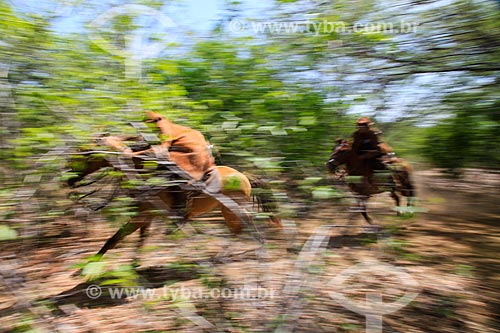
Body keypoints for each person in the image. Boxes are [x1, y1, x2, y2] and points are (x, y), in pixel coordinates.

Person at [100, 111, 218, 219]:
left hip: (193, 155)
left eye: (147, 125)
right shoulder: (161, 126)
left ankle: (180, 208)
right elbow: (140, 138)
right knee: (154, 158)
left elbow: (162, 149)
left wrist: (132, 154)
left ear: (154, 122)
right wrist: (116, 138)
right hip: (189, 148)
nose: (146, 128)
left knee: (171, 172)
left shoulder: (163, 127)